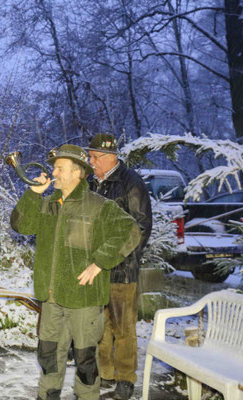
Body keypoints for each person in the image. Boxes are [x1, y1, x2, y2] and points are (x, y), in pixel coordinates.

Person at [10, 144, 141, 400]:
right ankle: (47, 394)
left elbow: (131, 230)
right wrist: (34, 194)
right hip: (51, 297)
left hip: (84, 298)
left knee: (85, 359)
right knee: (48, 354)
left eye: (60, 168)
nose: (54, 172)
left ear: (78, 172)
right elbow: (20, 224)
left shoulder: (99, 206)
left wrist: (100, 262)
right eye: (54, 168)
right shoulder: (48, 203)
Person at [87, 133, 153, 400]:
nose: (90, 162)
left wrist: (115, 259)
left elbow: (140, 228)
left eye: (93, 157)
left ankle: (126, 378)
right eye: (90, 157)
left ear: (109, 157)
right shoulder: (93, 183)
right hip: (95, 268)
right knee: (100, 325)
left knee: (123, 327)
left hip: (121, 269)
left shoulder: (131, 183)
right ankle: (106, 372)